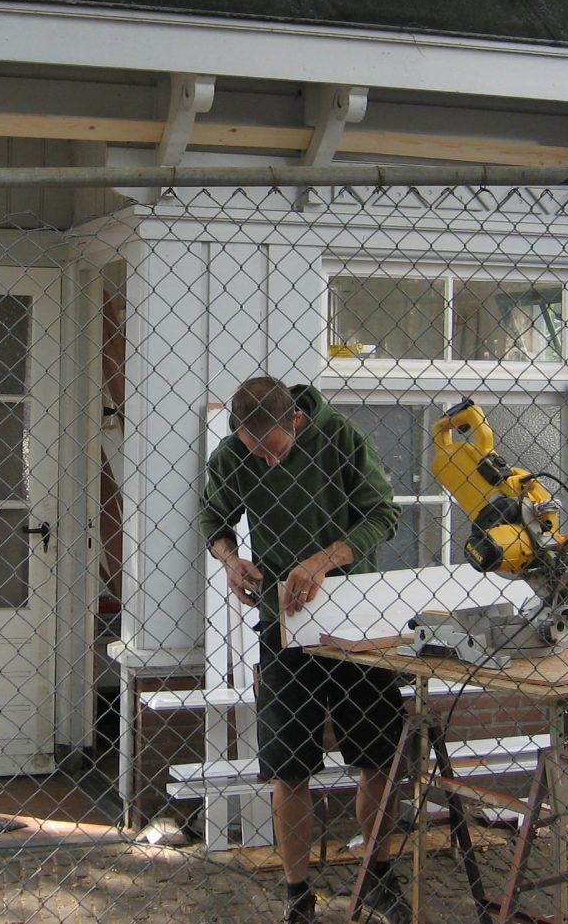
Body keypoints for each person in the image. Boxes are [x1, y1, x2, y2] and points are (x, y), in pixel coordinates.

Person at [199, 376, 408, 923]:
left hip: (358, 618)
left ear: (295, 419)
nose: (266, 463)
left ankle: (378, 875)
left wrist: (320, 562)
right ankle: (297, 895)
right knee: (288, 766)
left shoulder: (343, 437)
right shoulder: (232, 454)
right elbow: (214, 519)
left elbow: (383, 515)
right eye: (256, 454)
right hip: (285, 625)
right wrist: (230, 561)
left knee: (379, 756)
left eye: (274, 451)